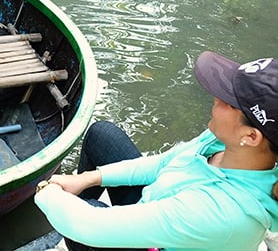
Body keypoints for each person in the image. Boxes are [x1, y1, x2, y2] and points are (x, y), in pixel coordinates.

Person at [35, 51, 278, 251]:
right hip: (161, 205)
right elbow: (163, 163)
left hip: (163, 243)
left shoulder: (223, 214)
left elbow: (88, 226)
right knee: (102, 135)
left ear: (251, 136)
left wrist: (47, 191)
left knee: (86, 219)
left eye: (227, 101)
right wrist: (85, 179)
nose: (215, 98)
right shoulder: (222, 141)